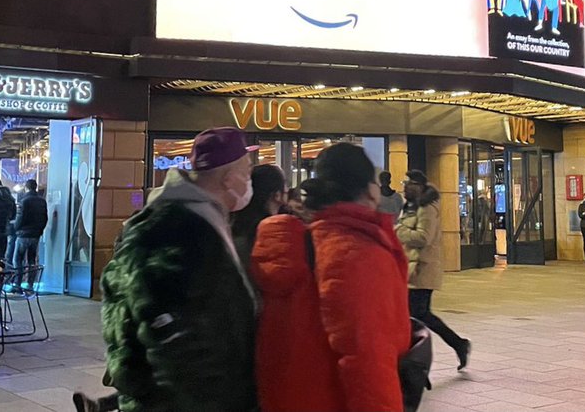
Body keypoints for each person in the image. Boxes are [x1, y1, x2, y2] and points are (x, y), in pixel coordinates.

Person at [98, 127, 257, 412]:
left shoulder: (200, 218)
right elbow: (171, 340)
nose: (250, 180)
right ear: (229, 179)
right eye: (247, 171)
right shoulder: (180, 227)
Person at [250, 143, 411, 412]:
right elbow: (369, 360)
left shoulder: (299, 241)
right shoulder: (356, 250)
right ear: (370, 189)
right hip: (331, 400)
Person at [397, 169, 471, 370]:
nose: (404, 187)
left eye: (407, 184)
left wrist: (397, 229)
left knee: (418, 314)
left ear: (418, 186)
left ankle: (452, 346)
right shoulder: (410, 206)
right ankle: (456, 345)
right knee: (416, 314)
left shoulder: (426, 208)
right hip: (411, 269)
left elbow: (423, 237)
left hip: (423, 269)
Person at [231, 164, 287, 271]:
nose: (287, 189)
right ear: (277, 195)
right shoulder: (277, 233)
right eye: (285, 184)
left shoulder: (235, 229)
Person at [13, 179, 49, 290]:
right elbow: (45, 218)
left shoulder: (24, 201)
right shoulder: (42, 201)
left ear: (26, 188)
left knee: (18, 259)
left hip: (23, 234)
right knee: (32, 260)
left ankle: (17, 284)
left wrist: (15, 228)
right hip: (35, 235)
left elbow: (20, 218)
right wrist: (40, 230)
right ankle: (30, 284)